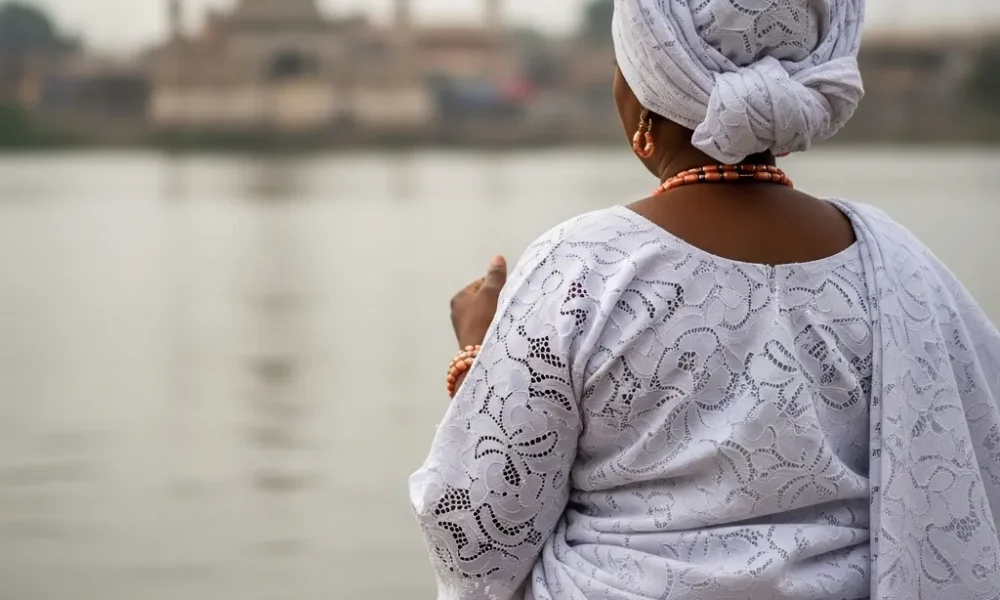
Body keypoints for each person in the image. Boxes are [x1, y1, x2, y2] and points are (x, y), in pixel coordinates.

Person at [409, 1, 1000, 598]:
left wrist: (480, 357)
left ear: (638, 98)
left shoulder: (584, 267)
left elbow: (477, 544)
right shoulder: (900, 266)